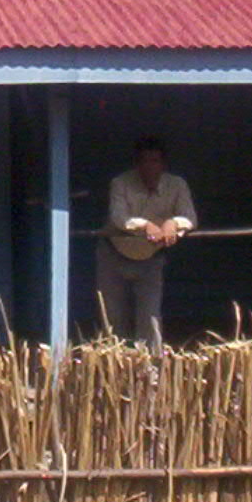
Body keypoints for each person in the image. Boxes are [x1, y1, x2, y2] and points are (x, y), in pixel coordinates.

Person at [97, 136, 198, 347]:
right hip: (113, 255)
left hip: (150, 259)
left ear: (163, 165)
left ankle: (151, 373)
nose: (149, 167)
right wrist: (145, 226)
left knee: (150, 319)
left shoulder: (177, 185)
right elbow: (119, 217)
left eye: (155, 161)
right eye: (144, 161)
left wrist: (173, 223)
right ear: (137, 164)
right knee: (114, 319)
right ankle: (118, 370)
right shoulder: (120, 183)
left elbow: (190, 217)